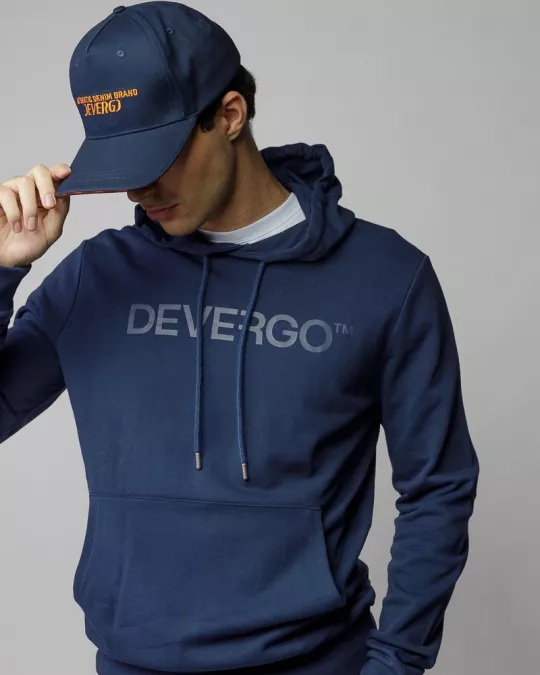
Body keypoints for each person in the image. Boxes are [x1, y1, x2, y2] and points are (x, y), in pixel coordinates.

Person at [0, 2, 479, 674]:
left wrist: (395, 662)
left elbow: (439, 487)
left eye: (158, 155)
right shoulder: (95, 277)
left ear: (229, 115)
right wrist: (1, 270)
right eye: (123, 163)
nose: (141, 189)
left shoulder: (385, 278)